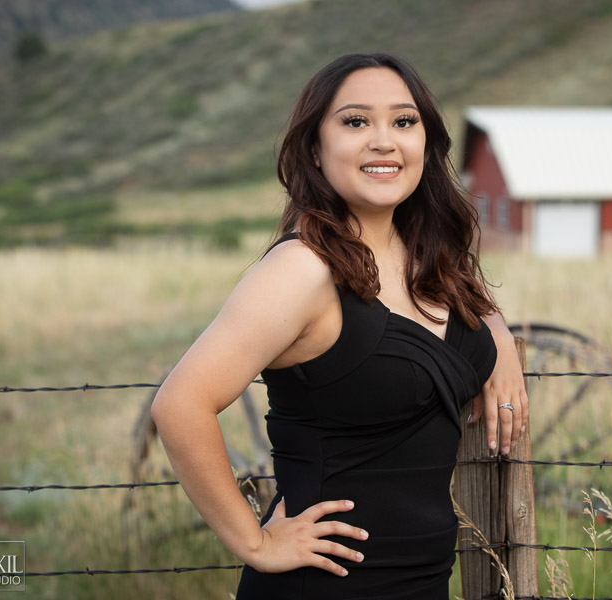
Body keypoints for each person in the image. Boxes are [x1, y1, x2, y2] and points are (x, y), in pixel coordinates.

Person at [150, 52, 528, 599]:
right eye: (355, 122)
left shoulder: (427, 255)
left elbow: (465, 303)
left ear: (426, 141)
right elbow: (180, 404)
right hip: (327, 585)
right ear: (314, 148)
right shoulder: (302, 269)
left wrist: (498, 337)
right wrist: (256, 543)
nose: (384, 141)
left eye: (404, 121)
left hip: (422, 582)